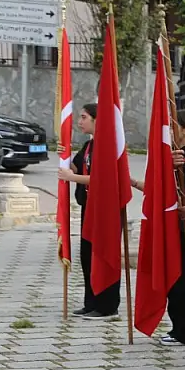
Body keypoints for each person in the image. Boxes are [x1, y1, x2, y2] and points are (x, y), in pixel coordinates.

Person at [59, 103, 119, 320]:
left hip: (104, 208)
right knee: (87, 255)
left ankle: (107, 305)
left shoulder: (107, 145)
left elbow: (103, 178)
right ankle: (91, 301)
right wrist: (63, 156)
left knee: (102, 254)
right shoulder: (88, 145)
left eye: (84, 117)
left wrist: (71, 178)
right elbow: (76, 167)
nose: (80, 121)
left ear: (96, 120)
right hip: (88, 206)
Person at [161, 110, 185, 347]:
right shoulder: (176, 155)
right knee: (173, 278)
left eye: (173, 125)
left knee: (183, 280)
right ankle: (178, 328)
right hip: (173, 224)